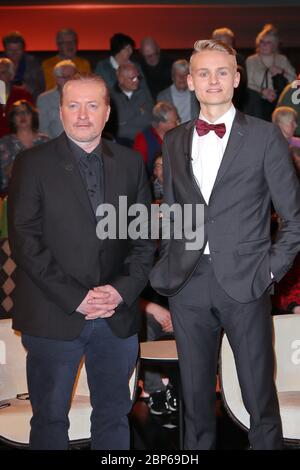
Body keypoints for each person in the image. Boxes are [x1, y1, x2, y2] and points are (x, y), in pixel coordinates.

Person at [150, 39, 300, 450]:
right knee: (195, 401)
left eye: (221, 72)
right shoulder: (175, 140)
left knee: (258, 398)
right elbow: (176, 211)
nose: (212, 80)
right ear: (190, 81)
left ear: (236, 78)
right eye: (203, 73)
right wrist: (169, 262)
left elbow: (295, 218)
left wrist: (269, 270)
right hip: (188, 285)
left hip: (246, 283)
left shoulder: (267, 137)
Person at [7, 73, 155, 450]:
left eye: (93, 105)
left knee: (113, 418)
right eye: (74, 105)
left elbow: (143, 242)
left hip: (116, 317)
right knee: (50, 421)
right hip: (53, 314)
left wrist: (119, 292)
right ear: (60, 111)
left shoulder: (131, 163)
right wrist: (77, 297)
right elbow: (26, 243)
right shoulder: (30, 163)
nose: (83, 115)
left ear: (108, 112)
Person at [246, 24, 296, 121]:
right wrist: (262, 91)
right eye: (261, 42)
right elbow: (247, 83)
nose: (264, 45)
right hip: (258, 102)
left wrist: (282, 72)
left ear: (274, 45)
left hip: (280, 101)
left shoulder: (282, 59)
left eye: (268, 42)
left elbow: (294, 82)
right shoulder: (251, 60)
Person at [0, 99, 49, 193]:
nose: (22, 116)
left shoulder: (45, 141)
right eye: (17, 113)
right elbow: (6, 175)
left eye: (26, 112)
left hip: (43, 192)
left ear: (33, 116)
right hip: (13, 193)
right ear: (13, 119)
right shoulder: (5, 143)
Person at [37, 60, 77, 139]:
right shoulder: (44, 99)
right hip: (54, 145)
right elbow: (43, 129)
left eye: (69, 76)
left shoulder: (85, 97)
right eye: (63, 76)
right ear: (56, 78)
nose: (66, 80)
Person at [2, 31, 45, 100]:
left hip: (29, 101)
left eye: (18, 50)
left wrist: (29, 89)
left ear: (23, 49)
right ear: (5, 50)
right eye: (10, 50)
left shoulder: (33, 63)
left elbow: (41, 87)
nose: (14, 53)